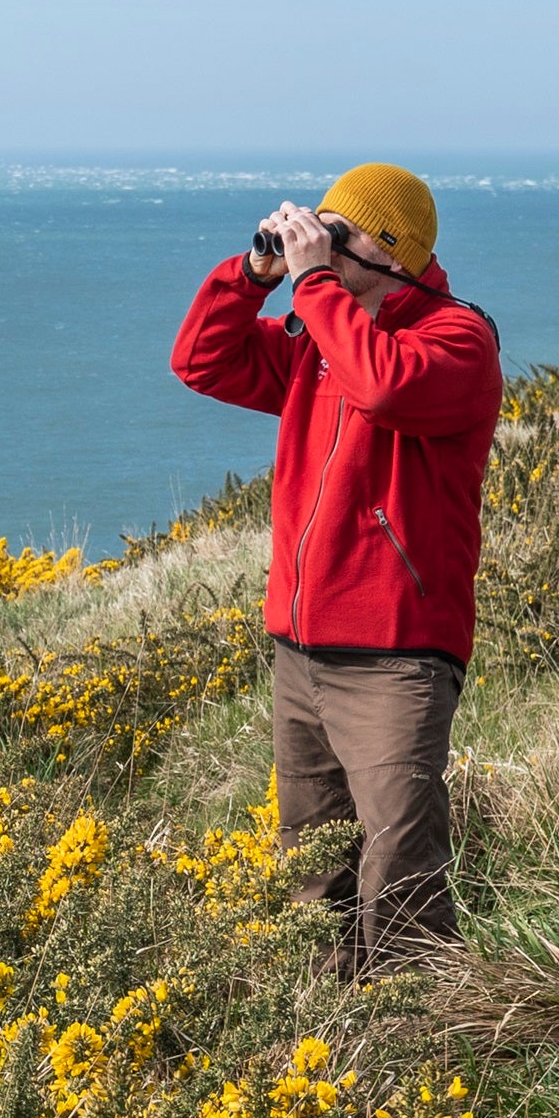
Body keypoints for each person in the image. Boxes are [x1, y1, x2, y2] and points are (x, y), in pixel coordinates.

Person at [169, 163, 505, 969]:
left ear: (392, 254)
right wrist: (253, 275)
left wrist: (314, 285)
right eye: (311, 226)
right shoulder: (319, 343)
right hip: (301, 651)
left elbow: (385, 389)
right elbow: (201, 361)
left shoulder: (457, 340)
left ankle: (425, 1038)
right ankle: (329, 1038)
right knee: (312, 865)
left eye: (335, 231)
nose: (312, 243)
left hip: (394, 654)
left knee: (399, 867)